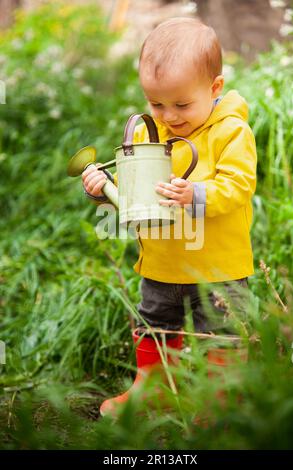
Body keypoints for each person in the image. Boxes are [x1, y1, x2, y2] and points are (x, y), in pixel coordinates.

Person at [82, 17, 257, 417]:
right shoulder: (149, 131)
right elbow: (133, 193)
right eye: (156, 103)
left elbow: (239, 185)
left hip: (218, 265)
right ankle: (154, 389)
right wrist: (102, 188)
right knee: (155, 324)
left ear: (215, 89)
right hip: (161, 262)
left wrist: (196, 193)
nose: (169, 115)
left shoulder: (230, 132)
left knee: (221, 331)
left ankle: (221, 403)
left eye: (181, 104)